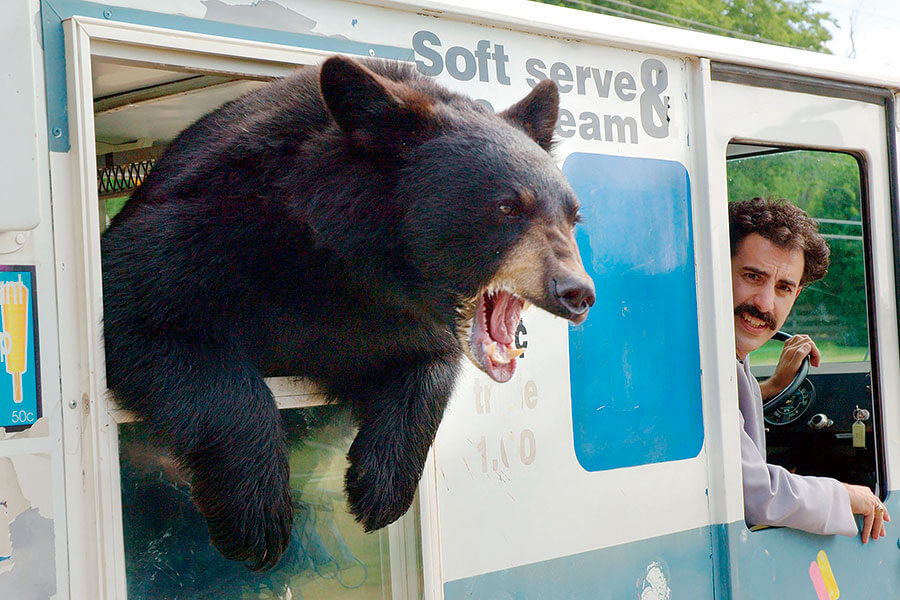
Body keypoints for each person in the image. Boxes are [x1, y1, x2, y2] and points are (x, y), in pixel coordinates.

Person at [730, 197, 889, 543]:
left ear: (797, 294)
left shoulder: (732, 359)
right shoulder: (694, 363)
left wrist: (771, 386)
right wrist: (848, 495)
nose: (765, 303)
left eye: (783, 287)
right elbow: (754, 493)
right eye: (752, 276)